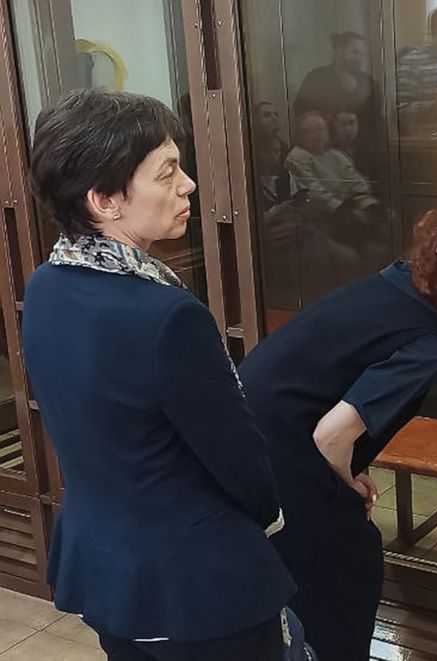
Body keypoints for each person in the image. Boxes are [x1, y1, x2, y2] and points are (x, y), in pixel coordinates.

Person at [21, 88, 300, 660]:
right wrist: (271, 514)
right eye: (167, 171)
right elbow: (240, 460)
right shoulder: (166, 315)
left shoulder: (47, 284)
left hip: (108, 570)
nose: (188, 184)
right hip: (196, 585)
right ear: (104, 200)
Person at [239, 209, 437, 660]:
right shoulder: (430, 343)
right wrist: (346, 482)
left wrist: (347, 473)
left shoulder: (394, 283)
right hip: (283, 448)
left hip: (250, 424)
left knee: (302, 568)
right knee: (343, 570)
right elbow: (330, 435)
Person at [294, 31, 381, 174]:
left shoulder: (369, 83)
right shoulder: (315, 79)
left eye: (362, 54)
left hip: (364, 159)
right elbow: (302, 114)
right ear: (339, 51)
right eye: (355, 52)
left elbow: (376, 121)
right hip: (323, 159)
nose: (359, 58)